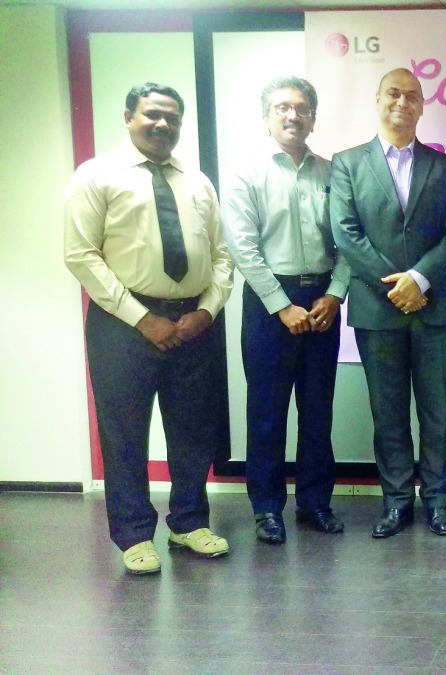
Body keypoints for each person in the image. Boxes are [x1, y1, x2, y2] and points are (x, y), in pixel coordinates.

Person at [64, 83, 234, 575]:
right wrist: (143, 318)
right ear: (128, 116)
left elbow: (221, 256)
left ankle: (188, 521)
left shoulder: (198, 182)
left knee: (193, 429)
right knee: (124, 432)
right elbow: (80, 255)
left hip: (192, 320)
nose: (163, 125)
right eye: (152, 115)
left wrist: (207, 309)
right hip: (124, 323)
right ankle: (135, 534)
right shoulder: (96, 176)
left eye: (172, 118)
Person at [330, 68, 446, 539]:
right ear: (378, 99)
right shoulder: (347, 163)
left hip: (438, 309)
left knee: (437, 411)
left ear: (423, 105)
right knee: (387, 412)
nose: (402, 103)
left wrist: (419, 278)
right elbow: (346, 233)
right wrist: (396, 284)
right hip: (377, 308)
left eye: (412, 96)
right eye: (394, 93)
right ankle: (395, 502)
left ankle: (437, 501)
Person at [222, 76, 351, 544]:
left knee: (318, 411)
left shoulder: (335, 173)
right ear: (266, 118)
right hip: (268, 304)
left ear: (313, 117)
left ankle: (315, 503)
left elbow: (348, 242)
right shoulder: (245, 174)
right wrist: (281, 306)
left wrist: (335, 293)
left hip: (322, 303)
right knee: (267, 412)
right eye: (281, 108)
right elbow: (243, 248)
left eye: (300, 108)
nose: (292, 115)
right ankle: (267, 508)